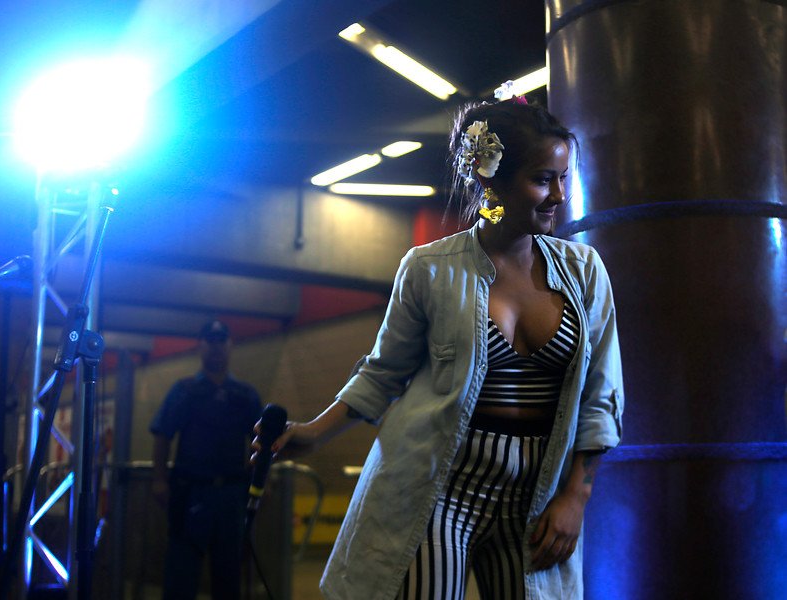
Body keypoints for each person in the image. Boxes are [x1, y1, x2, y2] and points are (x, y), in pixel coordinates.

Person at [255, 95, 624, 600]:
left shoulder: (584, 272)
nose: (559, 195)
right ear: (490, 179)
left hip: (535, 499)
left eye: (563, 178)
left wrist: (575, 498)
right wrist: (314, 433)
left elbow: (601, 395)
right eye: (543, 179)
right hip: (439, 490)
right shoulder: (429, 268)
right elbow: (383, 373)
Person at [151, 319, 263, 600]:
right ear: (200, 346)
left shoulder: (245, 395)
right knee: (180, 576)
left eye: (221, 340)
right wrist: (159, 480)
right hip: (190, 493)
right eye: (210, 341)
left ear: (230, 345)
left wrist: (263, 482)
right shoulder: (183, 390)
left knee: (229, 578)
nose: (216, 346)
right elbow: (162, 435)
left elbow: (262, 444)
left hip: (231, 496)